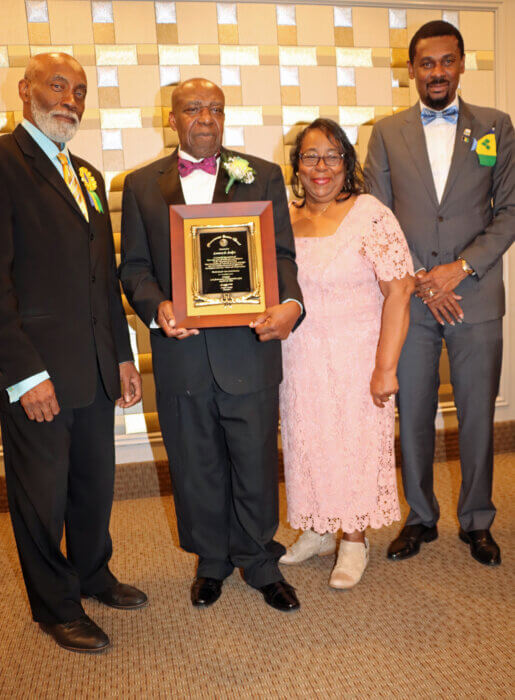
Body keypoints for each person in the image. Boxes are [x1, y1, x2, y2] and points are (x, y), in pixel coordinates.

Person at [120, 78, 304, 612]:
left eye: (216, 109)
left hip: (250, 346)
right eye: (193, 108)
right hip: (181, 352)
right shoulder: (139, 185)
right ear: (171, 119)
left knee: (253, 461)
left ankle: (260, 562)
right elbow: (133, 266)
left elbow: (283, 256)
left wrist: (290, 305)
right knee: (195, 462)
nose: (206, 117)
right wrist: (158, 307)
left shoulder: (261, 174)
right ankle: (212, 560)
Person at [0, 53, 147, 654]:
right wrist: (22, 373)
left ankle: (93, 573)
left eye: (79, 90)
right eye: (56, 85)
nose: (69, 98)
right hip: (34, 369)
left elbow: (102, 277)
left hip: (92, 366)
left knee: (95, 482)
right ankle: (54, 607)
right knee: (41, 493)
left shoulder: (84, 171)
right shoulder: (3, 164)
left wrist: (123, 354)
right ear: (25, 90)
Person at [364, 21, 514, 566]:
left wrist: (460, 269)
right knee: (414, 410)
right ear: (411, 70)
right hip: (411, 300)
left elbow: (510, 212)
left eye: (447, 61)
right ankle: (420, 517)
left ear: (461, 64)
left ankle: (477, 520)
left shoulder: (495, 126)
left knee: (477, 414)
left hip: (476, 297)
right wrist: (424, 283)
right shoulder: (385, 132)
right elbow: (376, 220)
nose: (437, 72)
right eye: (427, 63)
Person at [279, 119, 414, 589]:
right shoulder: (284, 217)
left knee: (352, 446)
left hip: (357, 356)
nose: (322, 167)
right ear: (296, 164)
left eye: (333, 156)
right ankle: (317, 528)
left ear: (348, 163)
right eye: (311, 156)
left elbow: (399, 292)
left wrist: (385, 368)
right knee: (308, 444)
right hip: (298, 358)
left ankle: (353, 539)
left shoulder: (370, 214)